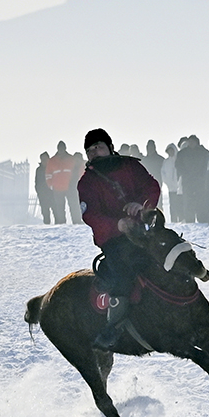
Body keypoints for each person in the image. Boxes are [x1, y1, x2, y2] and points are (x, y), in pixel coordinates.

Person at [77, 128, 161, 351]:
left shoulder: (131, 166)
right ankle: (113, 328)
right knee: (122, 276)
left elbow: (151, 187)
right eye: (90, 150)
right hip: (114, 240)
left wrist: (142, 206)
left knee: (172, 253)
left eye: (99, 147)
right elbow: (90, 214)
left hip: (143, 230)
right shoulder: (86, 182)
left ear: (110, 147)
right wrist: (118, 225)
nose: (95, 152)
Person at [45, 141, 79, 224]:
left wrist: (75, 183)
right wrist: (51, 185)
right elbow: (48, 174)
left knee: (73, 205)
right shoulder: (52, 160)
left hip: (70, 186)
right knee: (60, 207)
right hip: (58, 187)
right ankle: (61, 222)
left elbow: (76, 172)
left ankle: (76, 221)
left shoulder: (71, 159)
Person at [34, 152, 54, 224]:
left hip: (52, 193)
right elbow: (37, 182)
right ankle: (47, 225)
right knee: (45, 212)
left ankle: (58, 227)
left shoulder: (52, 168)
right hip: (43, 194)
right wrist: (39, 192)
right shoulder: (39, 170)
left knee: (56, 211)